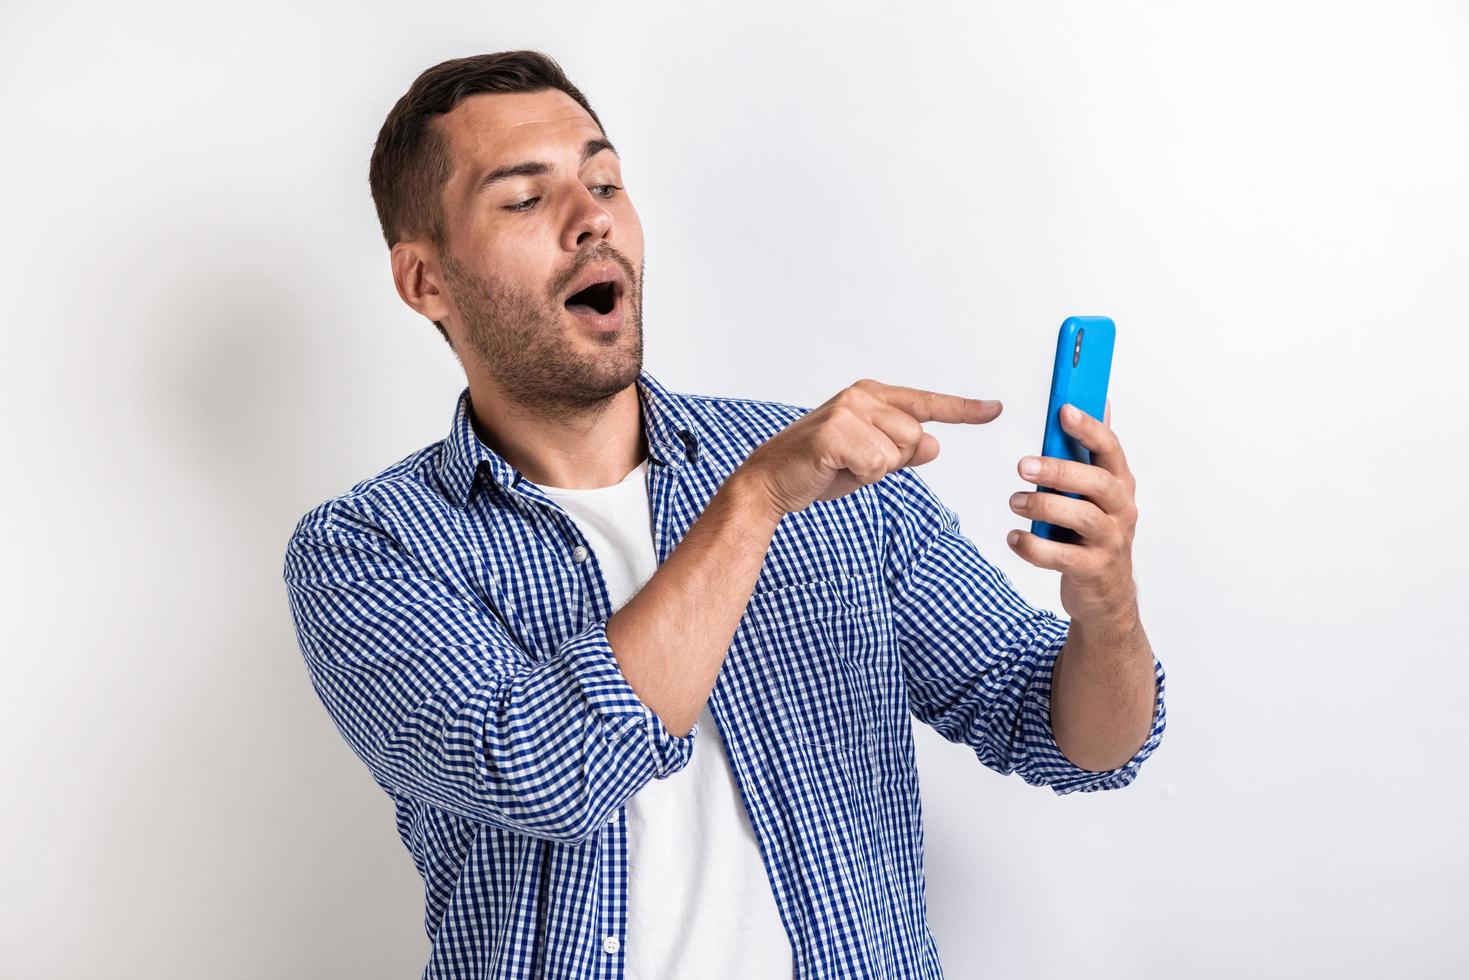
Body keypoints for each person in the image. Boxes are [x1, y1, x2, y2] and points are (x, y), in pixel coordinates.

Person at [281, 49, 1167, 980]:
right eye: (524, 199)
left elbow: (1073, 739)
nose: (591, 220)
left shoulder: (832, 479)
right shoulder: (365, 549)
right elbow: (544, 768)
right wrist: (754, 500)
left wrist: (1106, 608)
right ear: (424, 281)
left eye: (605, 181)